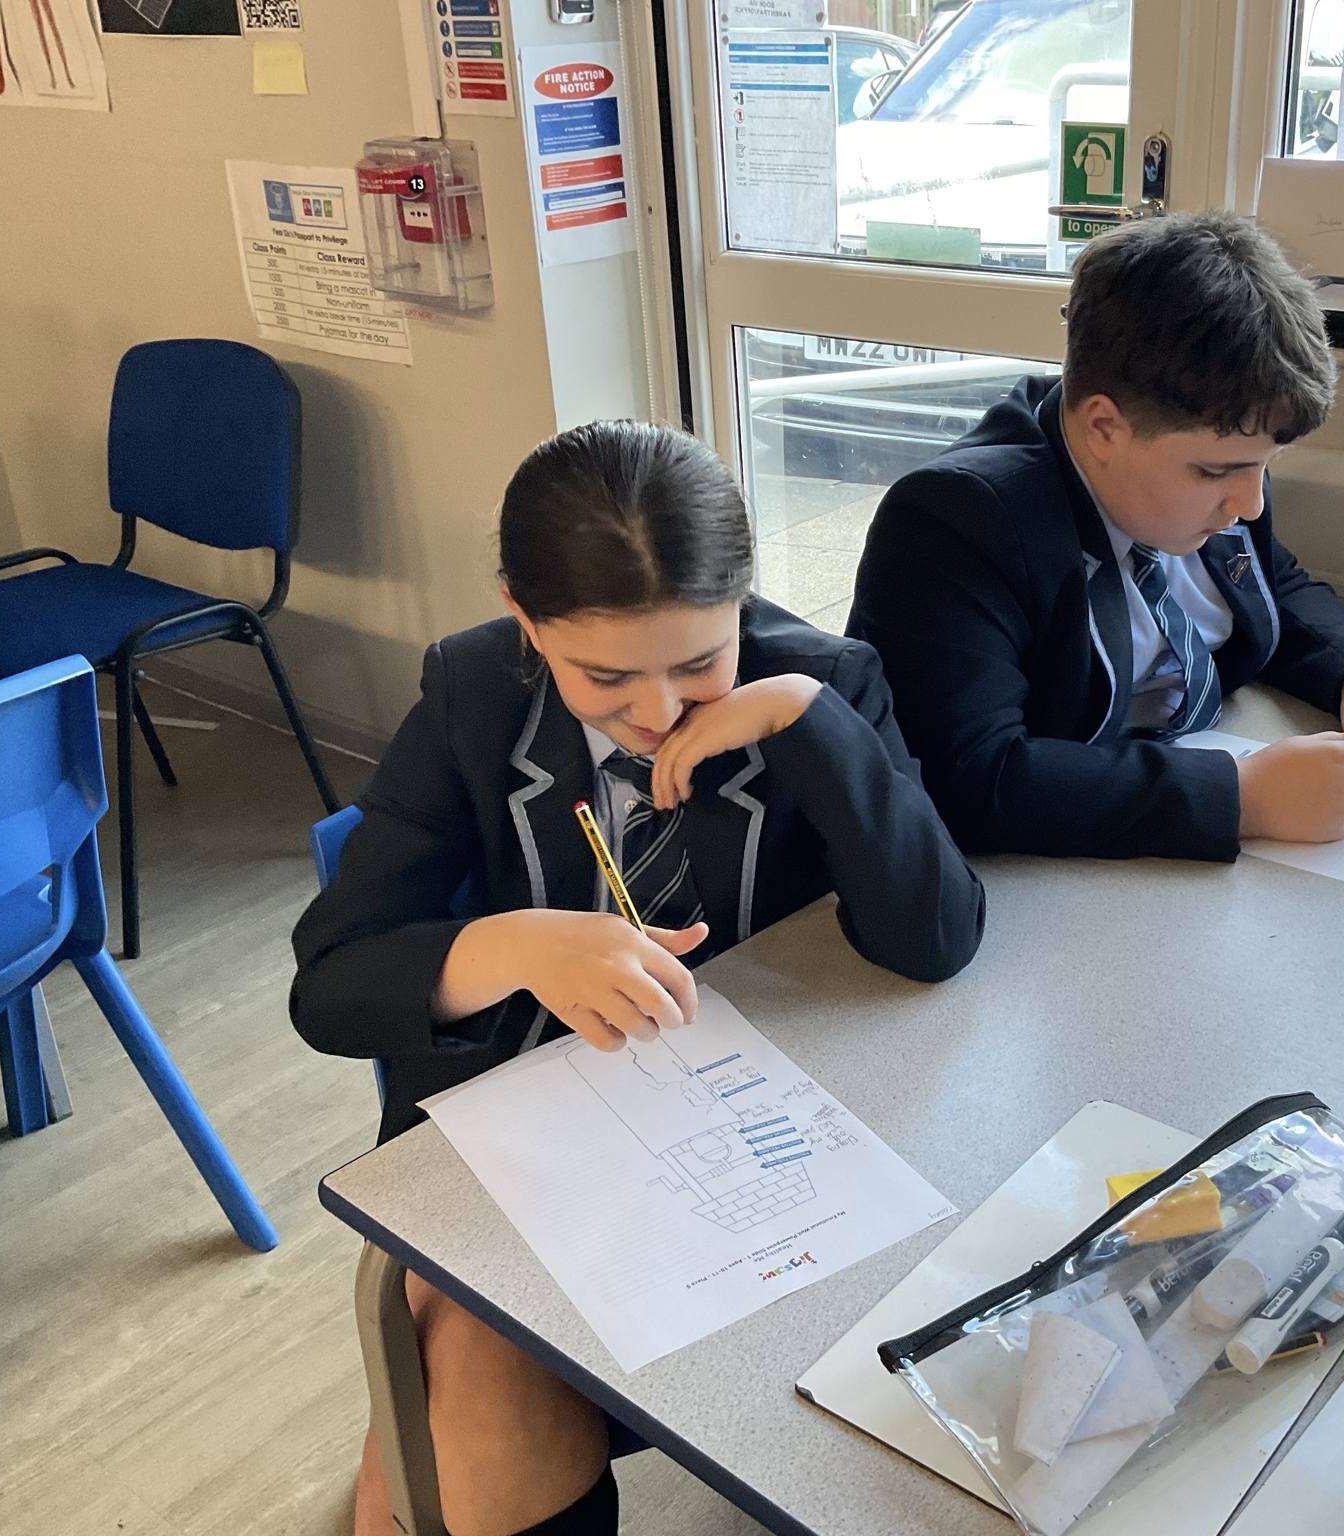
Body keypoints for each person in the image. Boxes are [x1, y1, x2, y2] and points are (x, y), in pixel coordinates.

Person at [292, 420, 985, 1536]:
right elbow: (330, 983)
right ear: (524, 618)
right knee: (479, 1376)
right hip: (537, 1138)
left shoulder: (822, 680)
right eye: (604, 676)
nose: (659, 713)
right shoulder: (474, 691)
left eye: (700, 662)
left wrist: (814, 731)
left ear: (741, 603)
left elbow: (937, 938)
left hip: (767, 1131)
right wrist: (515, 946)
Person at [848, 211, 1344, 862]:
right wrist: (1242, 796)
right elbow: (966, 778)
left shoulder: (1209, 471)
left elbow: (1273, 581)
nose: (1250, 503)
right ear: (1105, 428)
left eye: (1266, 465)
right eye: (1216, 472)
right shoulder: (955, 521)